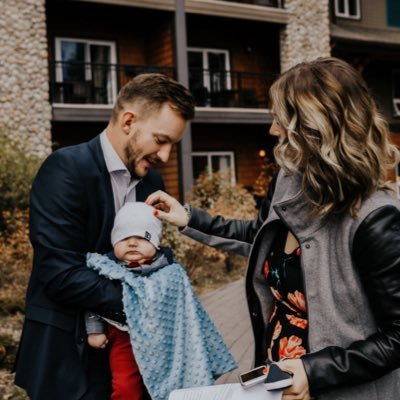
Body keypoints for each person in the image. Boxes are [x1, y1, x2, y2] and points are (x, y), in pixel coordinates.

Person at [146, 57, 400, 400]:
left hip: (339, 387)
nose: (273, 130)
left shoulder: (377, 219)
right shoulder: (288, 181)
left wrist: (314, 371)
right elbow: (259, 237)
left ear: (315, 127)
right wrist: (189, 219)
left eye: (281, 118)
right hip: (274, 377)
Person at [14, 73, 195, 400]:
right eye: (160, 139)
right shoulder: (65, 170)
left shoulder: (152, 182)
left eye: (173, 145)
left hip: (130, 361)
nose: (166, 156)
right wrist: (148, 301)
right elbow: (59, 273)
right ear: (129, 121)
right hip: (69, 357)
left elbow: (149, 255)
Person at [84, 201, 236, 400]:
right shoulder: (106, 268)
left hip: (165, 341)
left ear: (154, 242)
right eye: (124, 238)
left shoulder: (168, 270)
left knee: (164, 386)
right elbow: (92, 301)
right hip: (124, 339)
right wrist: (95, 329)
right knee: (125, 387)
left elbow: (187, 312)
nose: (132, 243)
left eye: (141, 237)